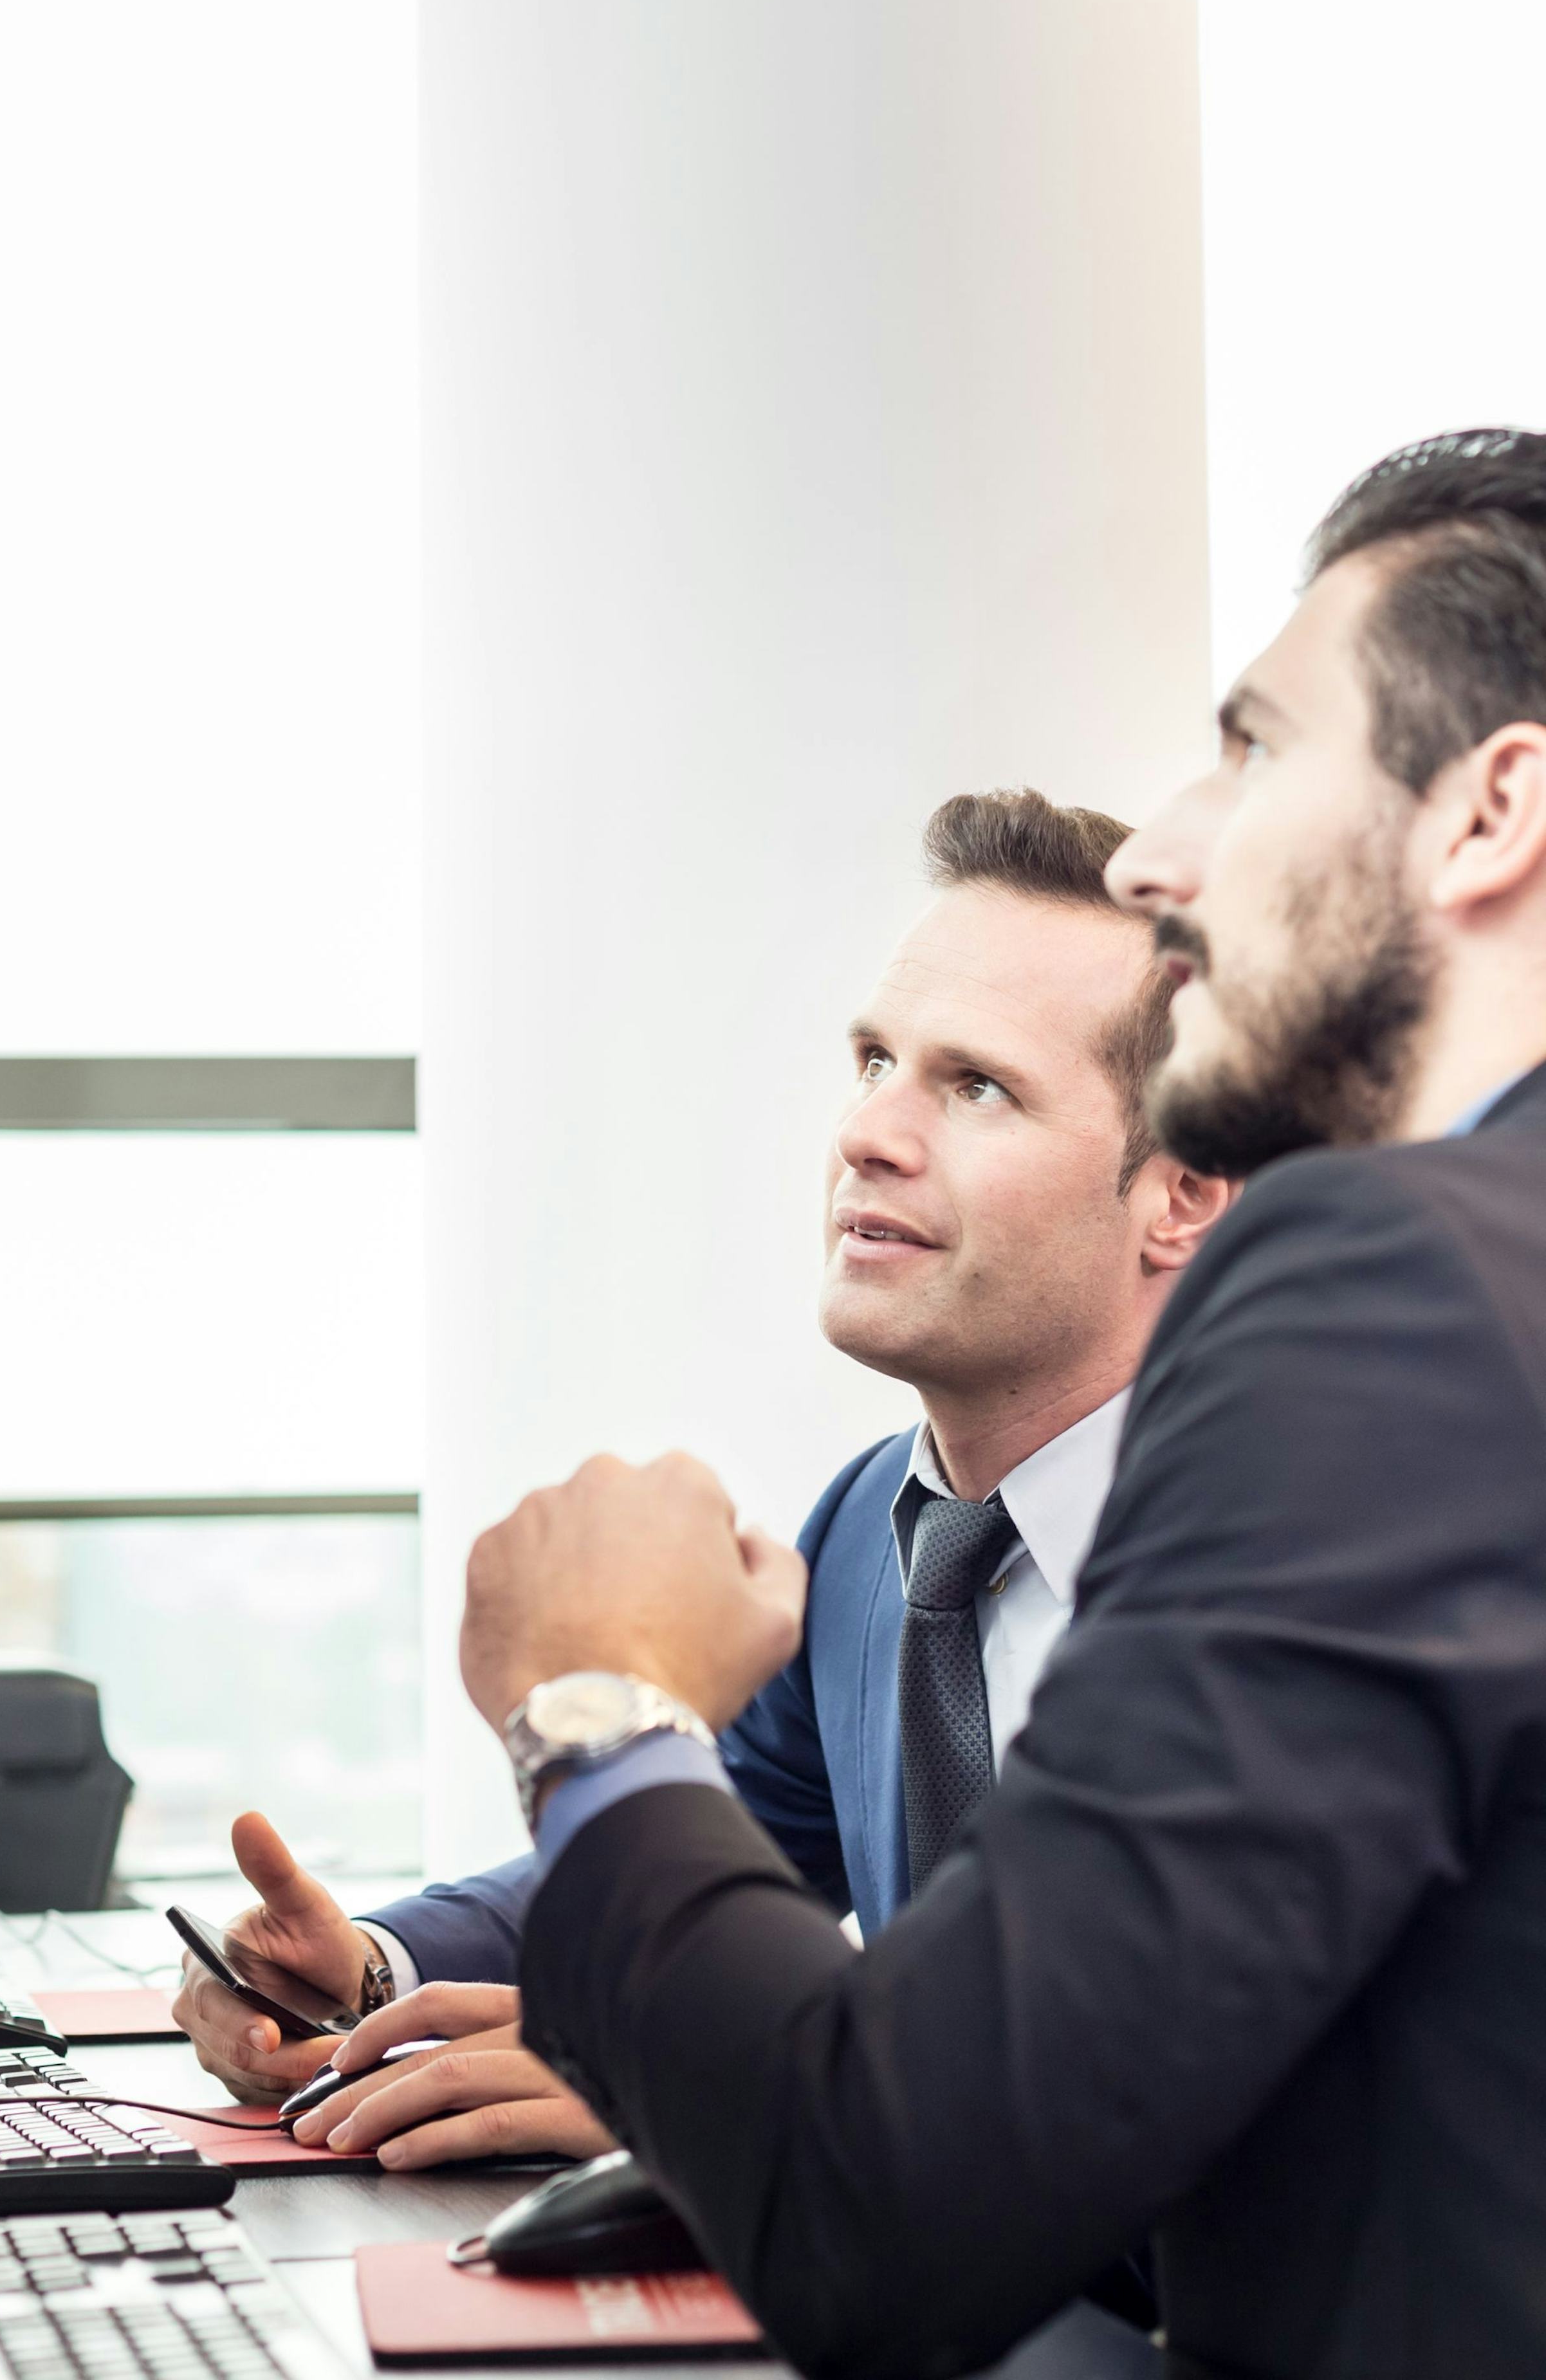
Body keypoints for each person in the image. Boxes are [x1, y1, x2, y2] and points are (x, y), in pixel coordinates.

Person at [461, 430, 1546, 2380]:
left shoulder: (1398, 1286)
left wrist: (594, 1706)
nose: (1162, 851)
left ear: (1491, 814)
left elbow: (888, 2203)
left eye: (1259, 748)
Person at [174, 789, 1231, 2177]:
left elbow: (1190, 2098)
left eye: (975, 1086)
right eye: (873, 1061)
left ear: (1181, 1191)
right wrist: (371, 1969)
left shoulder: (1273, 1566)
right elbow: (702, 1850)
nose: (870, 1133)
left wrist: (712, 2099)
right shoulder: (878, 1531)